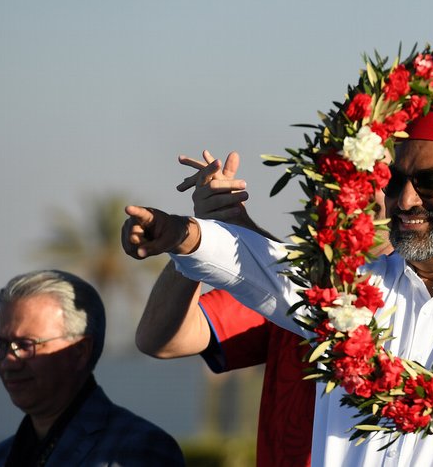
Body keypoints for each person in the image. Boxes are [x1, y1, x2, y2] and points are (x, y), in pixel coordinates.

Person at [121, 111, 433, 466]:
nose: (404, 199)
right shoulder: (348, 295)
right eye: (394, 181)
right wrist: (182, 234)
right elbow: (260, 268)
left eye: (430, 182)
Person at [135, 149, 393, 467]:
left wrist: (235, 228)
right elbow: (159, 338)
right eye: (354, 178)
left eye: (388, 179)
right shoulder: (291, 288)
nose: (373, 196)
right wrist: (205, 236)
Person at [0, 270, 185, 467]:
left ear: (80, 351)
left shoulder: (136, 451)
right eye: (0, 345)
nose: (8, 362)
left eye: (26, 345)